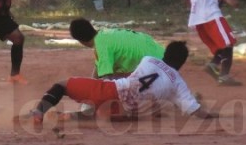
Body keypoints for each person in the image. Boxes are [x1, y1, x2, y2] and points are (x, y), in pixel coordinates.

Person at [28, 41, 216, 127]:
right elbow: (195, 111)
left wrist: (109, 78)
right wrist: (212, 115)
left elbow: (131, 75)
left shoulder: (149, 60)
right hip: (125, 110)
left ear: (165, 54)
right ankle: (75, 117)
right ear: (181, 63)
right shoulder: (178, 82)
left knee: (61, 85)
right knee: (112, 115)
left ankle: (39, 112)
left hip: (110, 90)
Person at [68, 17, 164, 78]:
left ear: (80, 40)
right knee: (115, 71)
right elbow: (98, 69)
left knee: (114, 80)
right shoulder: (104, 35)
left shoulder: (102, 47)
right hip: (163, 55)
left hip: (159, 67)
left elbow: (105, 80)